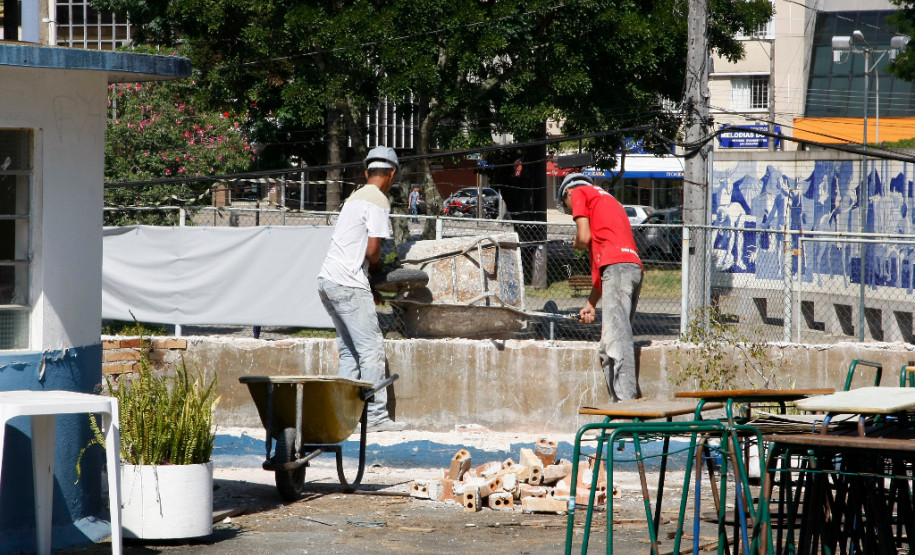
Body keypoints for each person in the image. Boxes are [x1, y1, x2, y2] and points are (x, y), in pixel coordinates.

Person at [317, 146, 406, 432]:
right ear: (392, 174)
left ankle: (344, 416)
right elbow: (372, 251)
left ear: (367, 172)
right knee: (371, 350)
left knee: (349, 352)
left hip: (328, 281)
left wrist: (366, 286)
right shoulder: (378, 200)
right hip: (348, 284)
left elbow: (350, 250)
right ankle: (377, 417)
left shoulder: (353, 198)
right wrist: (379, 272)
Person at [557, 173, 643, 402]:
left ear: (567, 192)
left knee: (617, 343)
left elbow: (583, 239)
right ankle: (617, 402)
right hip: (630, 268)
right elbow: (603, 274)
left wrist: (576, 243)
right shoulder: (608, 201)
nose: (572, 212)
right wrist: (590, 304)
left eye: (568, 209)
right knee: (608, 346)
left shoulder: (579, 193)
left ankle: (626, 407)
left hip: (618, 270)